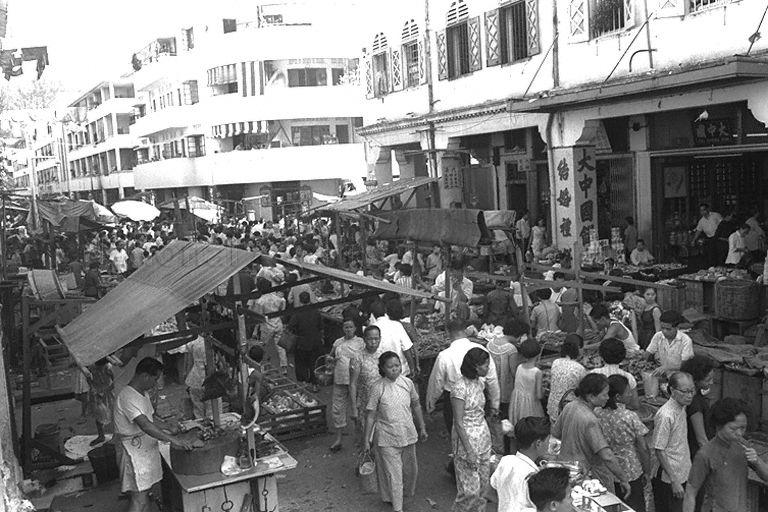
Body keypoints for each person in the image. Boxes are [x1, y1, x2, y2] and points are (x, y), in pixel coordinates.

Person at [114, 357, 195, 512]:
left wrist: (168, 427)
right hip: (133, 452)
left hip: (143, 450)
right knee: (139, 499)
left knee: (144, 497)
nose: (156, 383)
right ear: (145, 376)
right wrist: (174, 440)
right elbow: (145, 425)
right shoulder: (127, 396)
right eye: (155, 378)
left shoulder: (142, 394)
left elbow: (150, 418)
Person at [363, 352, 428, 512]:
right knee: (394, 474)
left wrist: (422, 427)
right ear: (383, 369)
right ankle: (398, 508)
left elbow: (416, 405)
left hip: (408, 433)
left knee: (410, 470)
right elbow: (370, 415)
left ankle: (397, 495)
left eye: (397, 365)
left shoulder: (407, 383)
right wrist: (366, 439)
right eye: (390, 367)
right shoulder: (377, 388)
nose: (394, 369)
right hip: (387, 437)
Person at [683, 398, 768, 512]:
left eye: (743, 428)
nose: (739, 433)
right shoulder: (706, 453)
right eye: (733, 428)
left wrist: (757, 461)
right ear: (719, 426)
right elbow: (691, 491)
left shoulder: (743, 446)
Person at [552, 373, 630, 495]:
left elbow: (556, 432)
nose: (608, 398)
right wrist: (623, 479)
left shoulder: (570, 406)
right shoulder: (590, 420)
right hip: (586, 477)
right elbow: (607, 456)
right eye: (604, 394)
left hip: (566, 469)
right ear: (591, 396)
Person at [426, 319, 501, 435]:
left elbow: (437, 382)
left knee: (456, 432)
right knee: (480, 430)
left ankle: (460, 451)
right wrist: (495, 405)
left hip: (453, 401)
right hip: (479, 398)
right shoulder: (481, 349)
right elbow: (492, 380)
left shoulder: (444, 356)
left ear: (448, 333)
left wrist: (431, 403)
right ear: (465, 331)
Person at [595, 375, 651, 512]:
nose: (631, 394)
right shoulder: (629, 416)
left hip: (608, 468)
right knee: (634, 505)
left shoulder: (597, 413)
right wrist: (647, 471)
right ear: (618, 397)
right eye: (628, 392)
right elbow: (643, 448)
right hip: (631, 470)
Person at [451, 347, 493, 512]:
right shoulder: (459, 388)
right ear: (475, 366)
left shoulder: (479, 383)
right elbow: (459, 422)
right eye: (485, 365)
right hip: (466, 442)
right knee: (469, 492)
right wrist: (469, 451)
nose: (487, 368)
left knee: (483, 488)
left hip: (483, 439)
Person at [652, 371, 695, 512]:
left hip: (682, 470)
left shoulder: (681, 407)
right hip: (669, 478)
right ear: (672, 390)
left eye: (692, 391)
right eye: (685, 391)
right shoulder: (666, 415)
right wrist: (674, 480)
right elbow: (659, 449)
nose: (690, 395)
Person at [490, 416, 551, 512]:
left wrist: (507, 503)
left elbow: (489, 490)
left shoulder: (506, 461)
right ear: (538, 443)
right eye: (547, 440)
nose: (549, 443)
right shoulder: (532, 476)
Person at [328, 319, 363, 452]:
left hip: (356, 381)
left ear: (355, 328)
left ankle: (359, 437)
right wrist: (331, 360)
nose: (348, 329)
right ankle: (338, 439)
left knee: (357, 409)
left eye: (350, 327)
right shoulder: (338, 342)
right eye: (346, 327)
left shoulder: (360, 343)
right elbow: (329, 358)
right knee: (337, 409)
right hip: (339, 380)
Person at [487, 320, 524, 438]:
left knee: (494, 413)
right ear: (517, 335)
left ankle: (494, 436)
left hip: (491, 385)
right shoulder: (511, 349)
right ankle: (505, 441)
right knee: (505, 417)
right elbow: (514, 371)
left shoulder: (490, 343)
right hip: (505, 388)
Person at [249, 279, 288, 374]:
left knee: (262, 346)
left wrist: (255, 331)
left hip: (267, 326)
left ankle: (262, 366)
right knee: (281, 346)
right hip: (278, 324)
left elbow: (258, 317)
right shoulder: (278, 298)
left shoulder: (260, 301)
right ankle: (284, 367)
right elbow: (282, 308)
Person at [589, 337, 640, 410]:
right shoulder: (628, 377)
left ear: (601, 355)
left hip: (595, 415)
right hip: (621, 416)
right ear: (623, 356)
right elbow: (635, 405)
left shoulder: (593, 374)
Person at [286, 291, 323, 390]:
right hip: (315, 342)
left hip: (301, 343)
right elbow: (320, 327)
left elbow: (291, 327)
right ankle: (314, 384)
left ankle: (304, 383)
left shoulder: (297, 313)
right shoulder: (316, 312)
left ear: (300, 300)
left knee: (301, 363)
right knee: (313, 363)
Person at [680, 355, 715, 459]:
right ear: (695, 381)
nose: (711, 382)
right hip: (695, 453)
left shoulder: (694, 396)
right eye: (708, 379)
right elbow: (701, 439)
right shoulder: (695, 403)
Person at [370, 301, 417, 378]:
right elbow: (407, 349)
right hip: (400, 371)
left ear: (373, 314)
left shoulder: (371, 329)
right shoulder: (397, 325)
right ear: (385, 310)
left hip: (382, 373)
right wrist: (412, 368)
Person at [547, 334, 586, 424]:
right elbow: (583, 390)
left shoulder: (555, 362)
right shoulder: (579, 368)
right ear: (579, 348)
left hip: (553, 407)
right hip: (568, 410)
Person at [350, 326, 382, 438]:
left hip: (381, 403)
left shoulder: (383, 355)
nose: (373, 342)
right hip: (365, 403)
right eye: (370, 339)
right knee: (366, 436)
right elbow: (353, 384)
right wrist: (354, 408)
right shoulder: (358, 357)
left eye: (376, 339)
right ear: (364, 339)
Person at [508, 338, 545, 427]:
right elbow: (539, 395)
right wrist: (543, 390)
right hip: (531, 404)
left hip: (518, 401)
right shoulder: (537, 372)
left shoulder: (519, 367)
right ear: (538, 354)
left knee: (521, 424)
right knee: (531, 425)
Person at [647, 310, 694, 376]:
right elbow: (648, 352)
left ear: (677, 327)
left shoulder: (685, 341)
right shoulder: (658, 336)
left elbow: (684, 365)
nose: (664, 331)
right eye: (662, 328)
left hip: (681, 377)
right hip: (664, 375)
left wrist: (667, 367)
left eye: (668, 329)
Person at [692, 203, 723, 268]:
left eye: (704, 210)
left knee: (720, 256)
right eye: (701, 210)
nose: (703, 212)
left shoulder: (716, 215)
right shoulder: (701, 221)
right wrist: (694, 240)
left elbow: (723, 225)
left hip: (719, 238)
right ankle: (713, 269)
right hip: (710, 239)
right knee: (711, 256)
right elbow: (698, 231)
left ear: (708, 209)